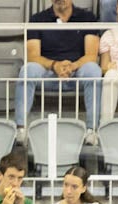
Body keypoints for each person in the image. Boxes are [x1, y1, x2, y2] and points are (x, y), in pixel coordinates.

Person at [16, 0, 102, 135]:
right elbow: (33, 56)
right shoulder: (37, 19)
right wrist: (54, 65)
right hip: (48, 72)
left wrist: (73, 66)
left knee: (93, 69)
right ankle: (21, 129)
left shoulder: (87, 18)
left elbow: (91, 55)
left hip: (76, 71)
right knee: (28, 70)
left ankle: (92, 130)